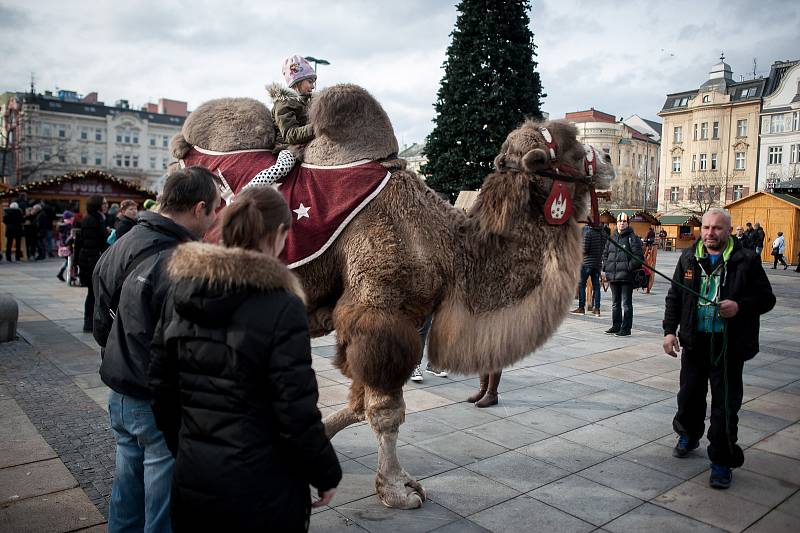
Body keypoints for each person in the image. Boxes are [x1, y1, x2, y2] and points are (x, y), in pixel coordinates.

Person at [148, 186, 341, 532]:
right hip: (262, 486)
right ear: (279, 235)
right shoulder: (281, 306)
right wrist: (324, 472)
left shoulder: (180, 288)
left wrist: (185, 447)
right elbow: (295, 409)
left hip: (194, 474)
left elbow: (161, 386)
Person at [92, 167, 220, 532]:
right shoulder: (183, 261)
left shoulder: (122, 243)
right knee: (163, 506)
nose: (213, 220)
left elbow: (100, 320)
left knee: (127, 491)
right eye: (213, 210)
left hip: (120, 388)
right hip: (158, 399)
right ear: (198, 208)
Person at [663, 208, 775, 489]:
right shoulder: (689, 257)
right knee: (689, 395)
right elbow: (675, 295)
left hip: (728, 346)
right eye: (707, 227)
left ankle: (722, 461)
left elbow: (766, 298)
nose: (711, 233)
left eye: (717, 228)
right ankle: (688, 434)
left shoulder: (745, 259)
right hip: (694, 341)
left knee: (725, 405)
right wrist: (668, 331)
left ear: (729, 230)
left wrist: (739, 306)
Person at [602, 213, 643, 336]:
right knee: (615, 304)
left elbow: (639, 257)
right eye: (620, 221)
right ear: (616, 223)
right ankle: (616, 325)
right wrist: (606, 267)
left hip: (626, 277)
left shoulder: (632, 238)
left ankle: (626, 328)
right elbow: (605, 253)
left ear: (628, 223)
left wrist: (628, 268)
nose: (622, 223)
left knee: (626, 304)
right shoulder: (612, 238)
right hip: (613, 276)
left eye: (624, 221)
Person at [268, 55, 317, 152]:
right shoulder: (283, 104)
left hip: (305, 145)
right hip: (287, 147)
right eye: (310, 82)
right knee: (287, 161)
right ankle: (277, 168)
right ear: (298, 81)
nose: (313, 87)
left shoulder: (307, 102)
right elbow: (290, 134)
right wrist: (317, 127)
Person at [74, 196, 109, 332]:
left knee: (94, 293)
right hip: (90, 263)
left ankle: (92, 322)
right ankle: (88, 323)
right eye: (104, 203)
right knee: (92, 293)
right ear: (97, 205)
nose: (106, 205)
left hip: (93, 261)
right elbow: (90, 245)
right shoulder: (91, 220)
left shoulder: (99, 218)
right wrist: (96, 266)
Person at [571, 224, 604, 317]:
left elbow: (585, 249)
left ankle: (581, 308)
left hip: (587, 264)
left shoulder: (589, 233)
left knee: (582, 285)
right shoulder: (603, 234)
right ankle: (597, 309)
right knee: (596, 287)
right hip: (597, 264)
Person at [56, 211, 75, 282]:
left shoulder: (62, 225)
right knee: (70, 261)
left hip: (62, 245)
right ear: (69, 218)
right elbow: (69, 237)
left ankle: (62, 274)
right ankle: (67, 275)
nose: (73, 218)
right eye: (72, 216)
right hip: (68, 246)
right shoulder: (69, 225)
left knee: (68, 261)